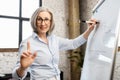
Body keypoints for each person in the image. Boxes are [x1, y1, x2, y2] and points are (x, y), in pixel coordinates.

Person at [12, 7, 98, 80]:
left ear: (50, 22)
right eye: (39, 19)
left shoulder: (54, 39)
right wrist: (22, 68)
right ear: (34, 21)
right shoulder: (27, 43)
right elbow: (15, 76)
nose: (43, 23)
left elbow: (73, 43)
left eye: (46, 19)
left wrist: (89, 30)